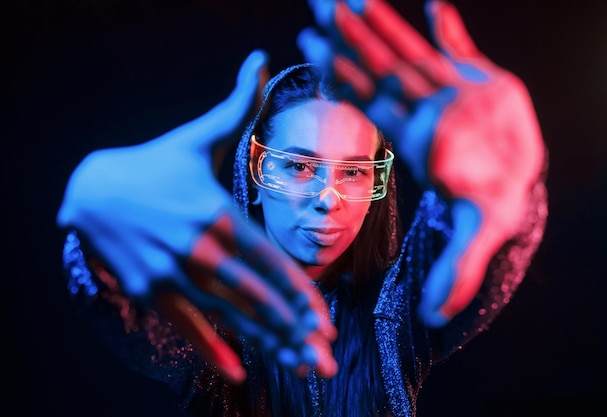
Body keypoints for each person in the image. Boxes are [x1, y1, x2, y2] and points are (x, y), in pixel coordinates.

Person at [56, 0, 548, 416]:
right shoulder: (211, 315)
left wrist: (510, 188)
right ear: (255, 166)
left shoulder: (395, 315)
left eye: (353, 171)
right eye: (299, 166)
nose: (328, 199)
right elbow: (128, 303)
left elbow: (464, 246)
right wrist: (97, 227)